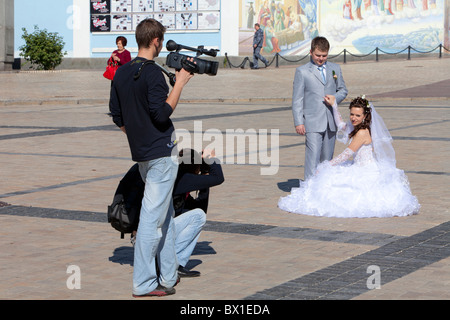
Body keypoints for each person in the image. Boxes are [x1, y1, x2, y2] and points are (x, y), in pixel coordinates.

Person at [109, 18, 194, 298]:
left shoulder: (122, 73)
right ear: (157, 41)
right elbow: (161, 114)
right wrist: (179, 83)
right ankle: (144, 284)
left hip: (143, 155)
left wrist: (137, 134)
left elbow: (118, 115)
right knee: (151, 220)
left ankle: (168, 275)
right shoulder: (154, 74)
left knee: (165, 215)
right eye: (161, 41)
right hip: (160, 154)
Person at [278, 96, 420, 218]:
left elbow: (347, 154)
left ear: (365, 116)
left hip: (366, 170)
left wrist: (327, 165)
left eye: (358, 115)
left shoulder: (362, 132)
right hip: (356, 165)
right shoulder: (356, 127)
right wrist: (334, 105)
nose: (353, 118)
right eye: (352, 114)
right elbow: (340, 124)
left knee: (334, 179)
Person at [129, 148, 225, 278]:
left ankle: (165, 262)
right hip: (150, 237)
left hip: (143, 236)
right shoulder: (183, 179)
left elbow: (198, 206)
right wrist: (211, 159)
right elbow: (218, 178)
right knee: (199, 216)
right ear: (194, 167)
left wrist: (203, 179)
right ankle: (173, 265)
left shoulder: (171, 177)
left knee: (195, 214)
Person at [292, 36, 348, 181]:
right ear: (310, 52)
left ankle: (324, 188)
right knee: (313, 158)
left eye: (324, 55)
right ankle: (309, 190)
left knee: (327, 160)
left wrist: (335, 98)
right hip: (312, 122)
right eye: (318, 55)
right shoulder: (302, 71)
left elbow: (343, 90)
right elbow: (297, 99)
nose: (321, 59)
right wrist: (299, 122)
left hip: (330, 121)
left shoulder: (335, 69)